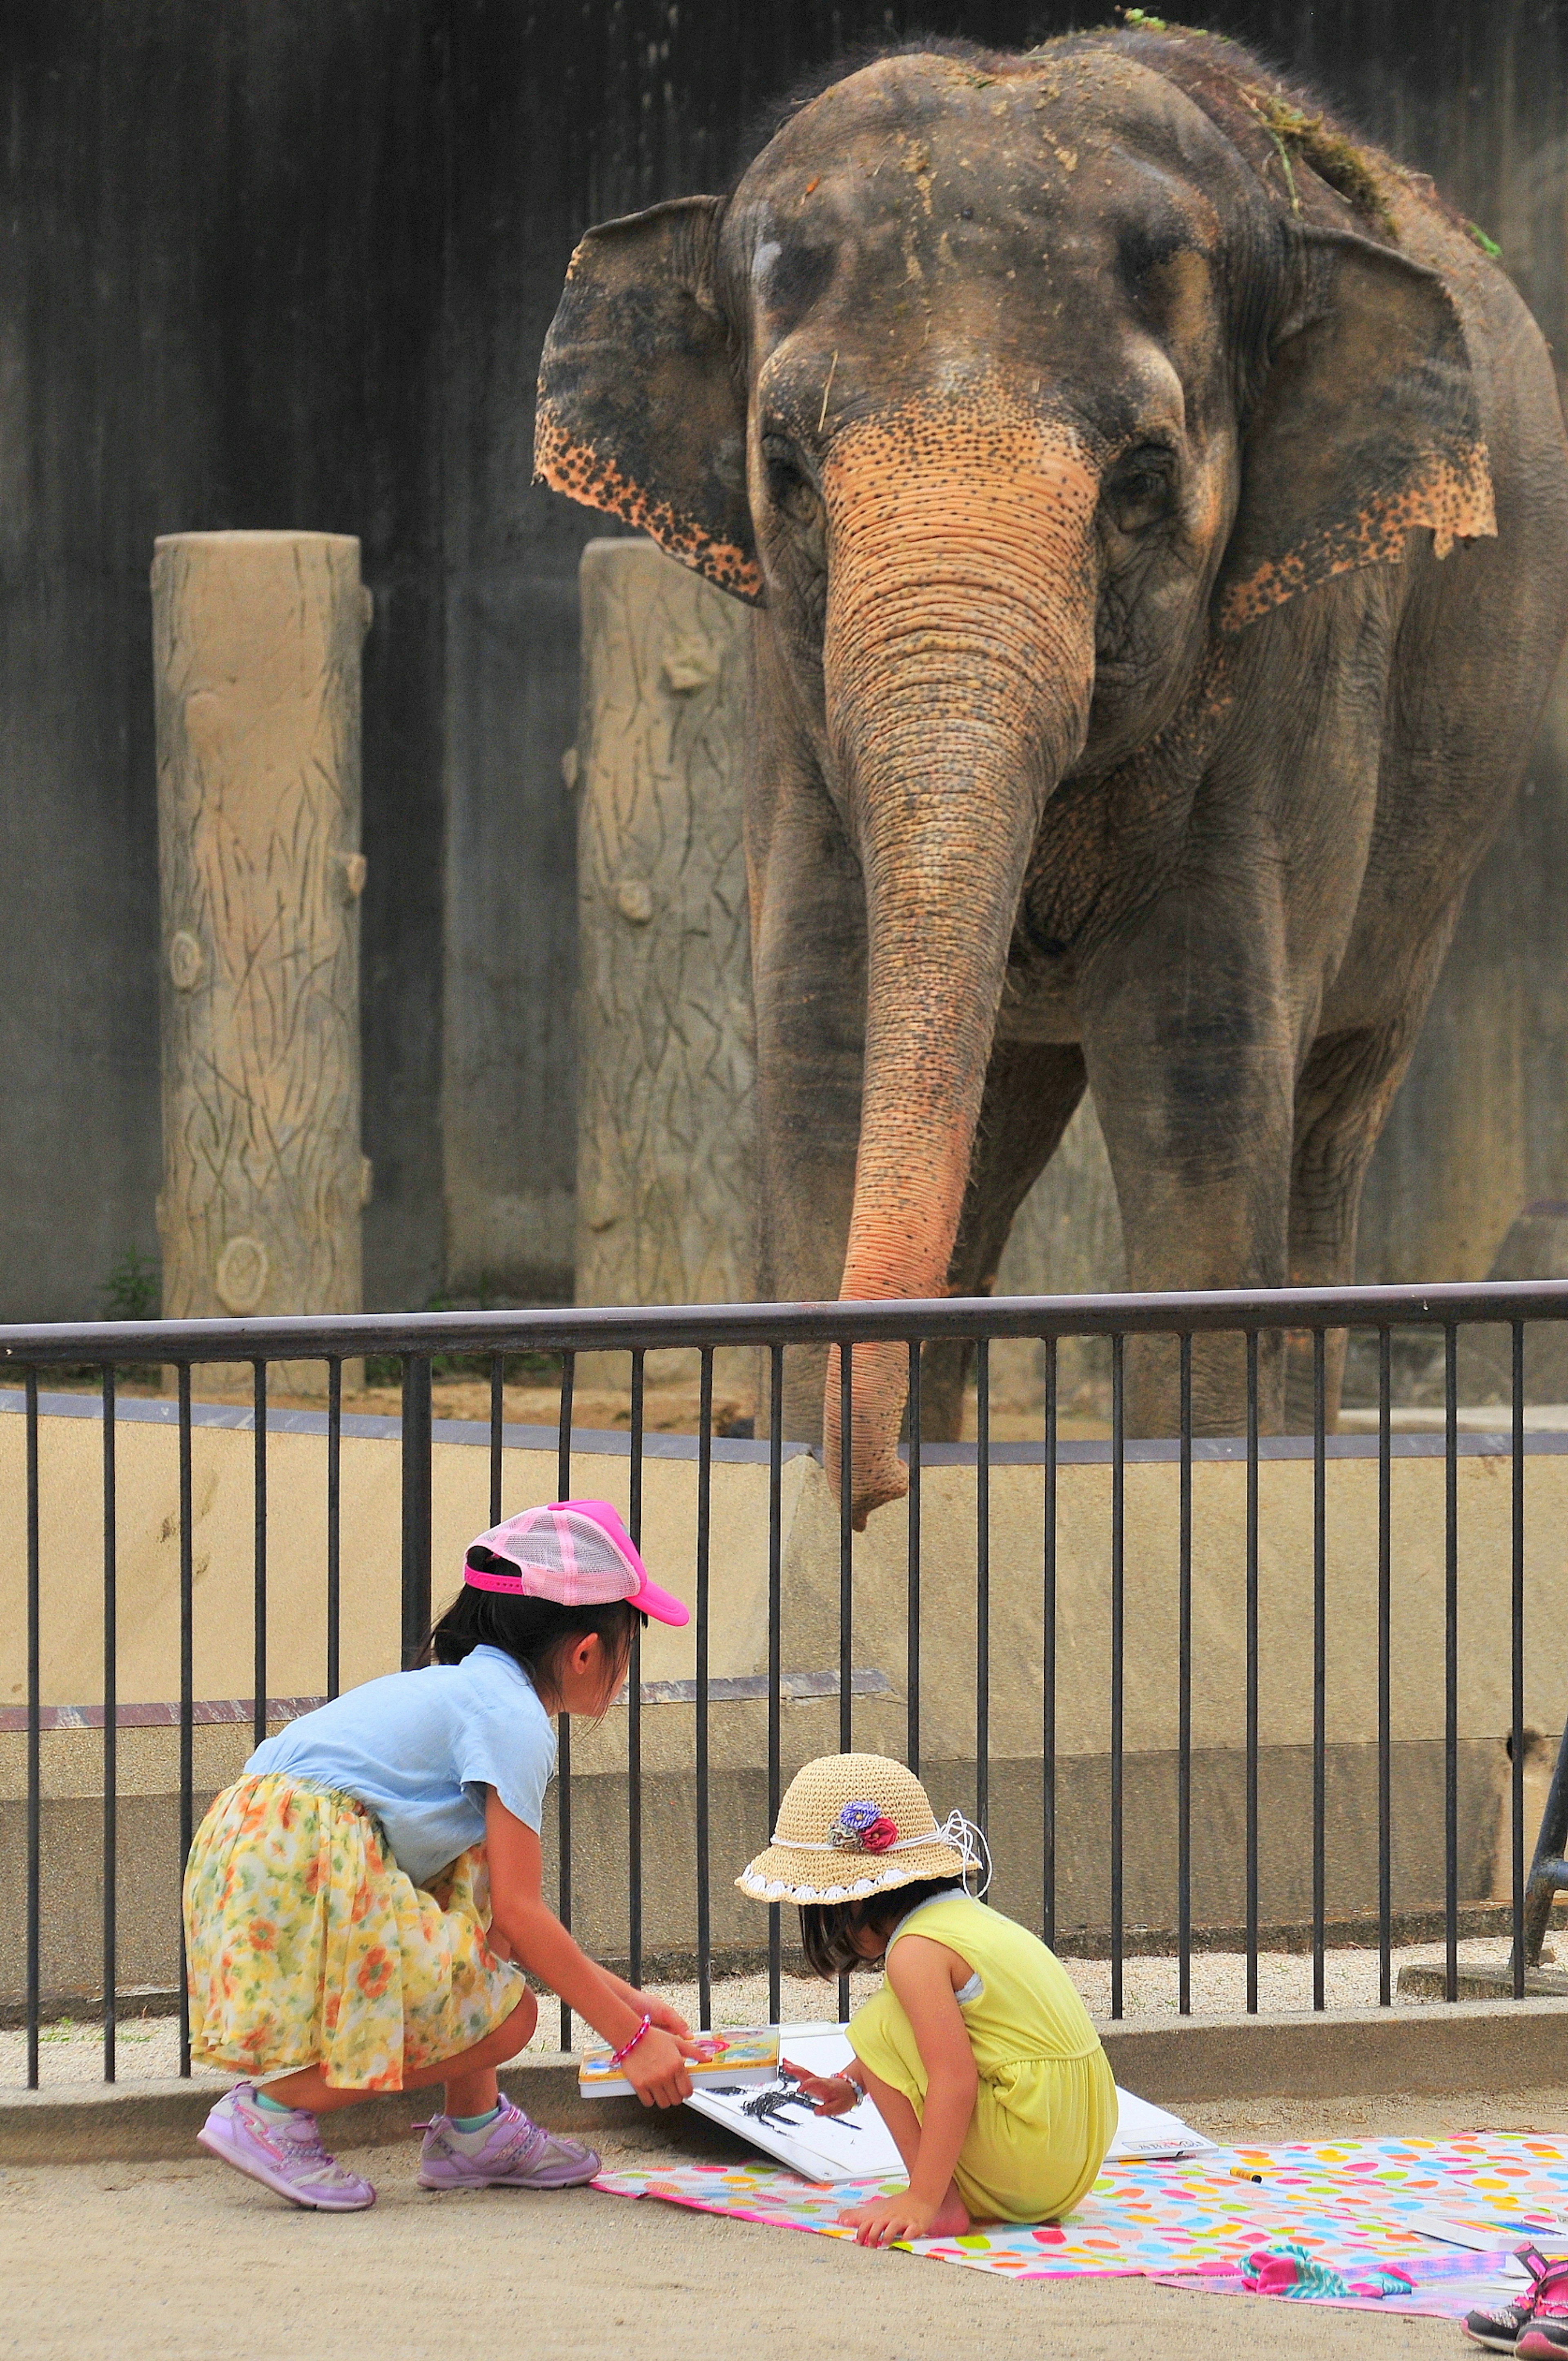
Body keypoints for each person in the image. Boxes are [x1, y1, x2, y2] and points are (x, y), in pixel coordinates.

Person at [183, 1499, 701, 2212]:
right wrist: (632, 2038)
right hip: (303, 1846)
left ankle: (476, 2131)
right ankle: (268, 2114)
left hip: (256, 1838)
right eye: (626, 1649)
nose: (622, 1669)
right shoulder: (512, 1717)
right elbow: (525, 1915)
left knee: (473, 1895)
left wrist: (629, 2001)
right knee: (511, 2016)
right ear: (586, 1650)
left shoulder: (470, 1690)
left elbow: (498, 1916)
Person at [736, 1752, 1116, 2246]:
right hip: (1073, 2159)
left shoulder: (914, 1953)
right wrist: (855, 2083)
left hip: (1028, 2158)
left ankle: (940, 2204)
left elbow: (953, 2079)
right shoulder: (970, 1921)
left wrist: (923, 2196)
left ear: (853, 1898)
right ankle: (940, 2194)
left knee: (877, 2022)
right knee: (891, 2022)